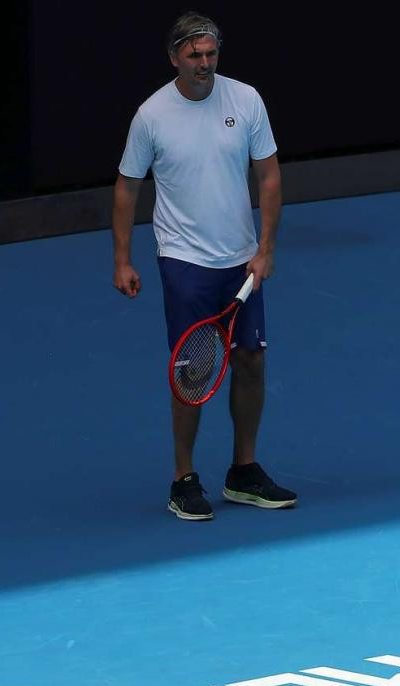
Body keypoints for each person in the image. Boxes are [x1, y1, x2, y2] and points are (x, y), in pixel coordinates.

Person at [111, 12, 296, 521]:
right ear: (175, 57)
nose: (204, 63)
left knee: (252, 359)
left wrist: (266, 249)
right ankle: (183, 479)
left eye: (211, 54)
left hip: (241, 259)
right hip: (184, 261)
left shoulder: (246, 100)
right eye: (194, 55)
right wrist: (123, 258)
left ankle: (243, 470)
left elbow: (270, 177)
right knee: (192, 370)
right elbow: (128, 187)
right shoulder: (152, 116)